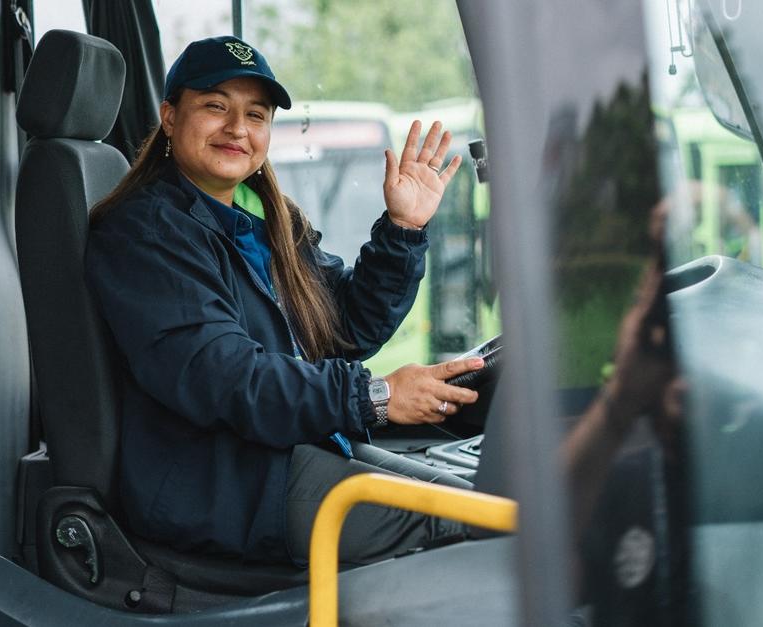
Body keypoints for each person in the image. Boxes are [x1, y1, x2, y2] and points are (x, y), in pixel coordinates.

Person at [85, 35, 484, 567]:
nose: (237, 129)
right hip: (223, 484)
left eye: (256, 114)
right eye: (214, 106)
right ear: (170, 117)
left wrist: (403, 228)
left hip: (281, 450)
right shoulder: (148, 230)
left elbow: (345, 329)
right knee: (471, 530)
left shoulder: (264, 218)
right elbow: (222, 376)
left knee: (487, 502)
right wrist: (377, 395)